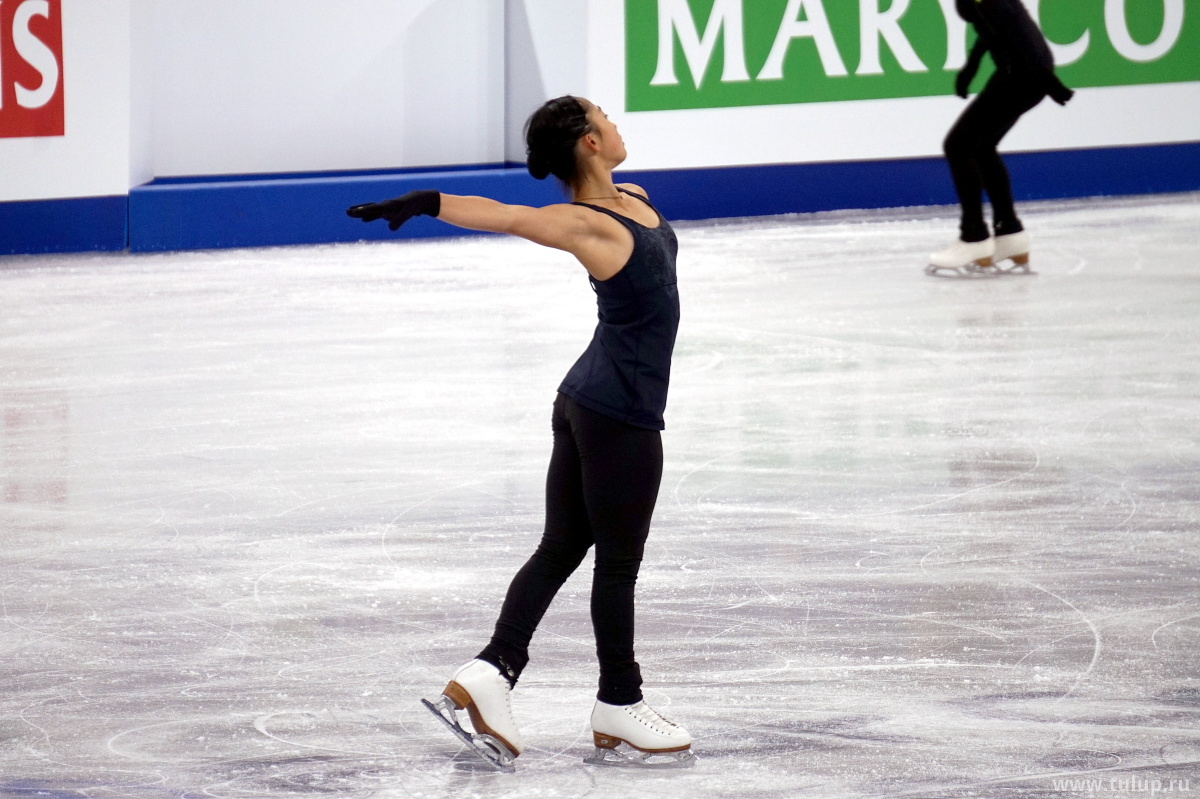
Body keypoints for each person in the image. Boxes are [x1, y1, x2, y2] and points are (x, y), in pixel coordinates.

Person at [347, 96, 694, 770]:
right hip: (619, 413)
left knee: (562, 545)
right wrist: (427, 202)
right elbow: (508, 215)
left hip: (586, 398)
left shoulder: (632, 199)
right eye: (604, 116)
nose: (616, 123)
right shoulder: (589, 225)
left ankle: (491, 671)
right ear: (588, 141)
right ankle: (620, 703)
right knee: (617, 564)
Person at [928, 0, 1074, 274]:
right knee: (981, 147)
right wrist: (972, 65)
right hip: (1025, 74)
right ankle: (1009, 233)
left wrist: (1046, 79)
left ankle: (974, 237)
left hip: (1023, 75)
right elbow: (996, 27)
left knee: (958, 146)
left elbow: (1014, 28)